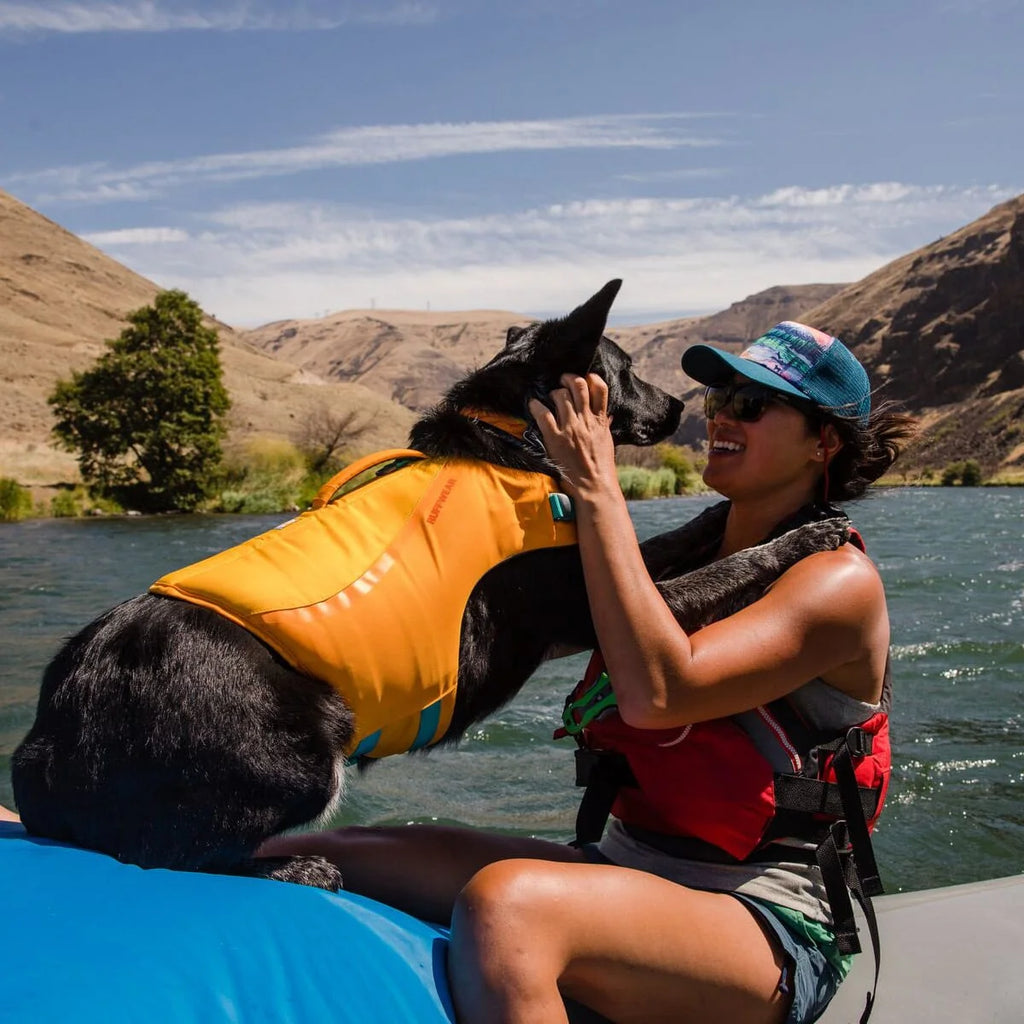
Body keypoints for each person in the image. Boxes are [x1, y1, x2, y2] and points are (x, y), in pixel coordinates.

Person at [260, 321, 916, 1024]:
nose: (722, 415)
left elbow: (660, 693)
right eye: (720, 396)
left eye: (753, 405)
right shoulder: (683, 558)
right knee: (314, 851)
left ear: (826, 441)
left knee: (507, 909)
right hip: (624, 863)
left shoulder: (838, 583)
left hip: (771, 918)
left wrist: (599, 487)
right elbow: (512, 630)